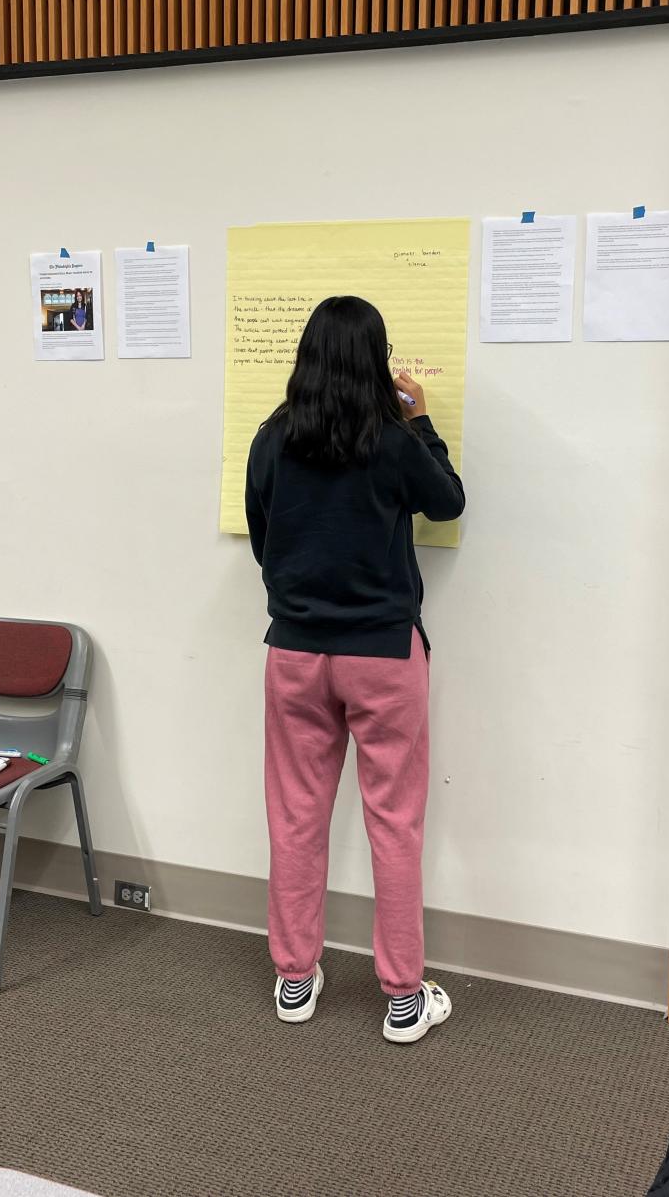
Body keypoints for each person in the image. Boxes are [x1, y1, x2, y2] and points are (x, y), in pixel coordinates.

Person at [245, 294, 465, 1044]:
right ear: (376, 360)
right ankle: (403, 997)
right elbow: (448, 502)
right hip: (381, 656)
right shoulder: (394, 440)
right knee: (394, 824)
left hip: (296, 652)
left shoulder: (271, 439)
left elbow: (263, 540)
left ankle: (294, 980)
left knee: (295, 816)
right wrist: (421, 420)